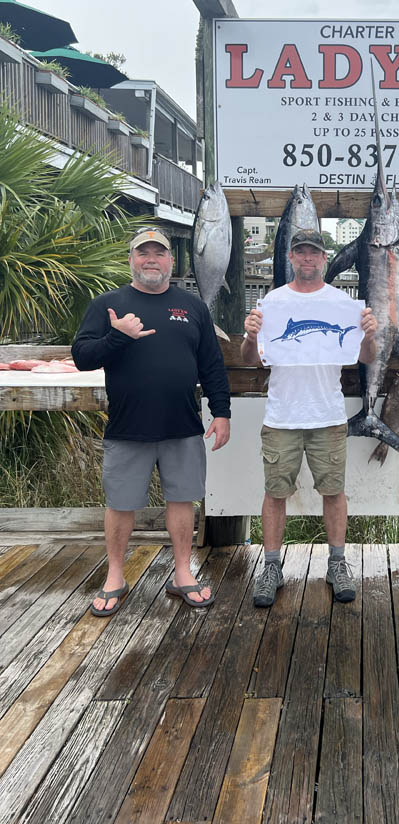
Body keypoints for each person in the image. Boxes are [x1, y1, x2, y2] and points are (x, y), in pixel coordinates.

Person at [72, 225, 231, 616]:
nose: (151, 259)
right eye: (143, 253)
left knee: (182, 500)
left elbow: (211, 365)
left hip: (183, 425)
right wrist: (118, 336)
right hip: (128, 427)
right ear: (131, 260)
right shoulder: (108, 304)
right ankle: (115, 576)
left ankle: (182, 573)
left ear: (171, 261)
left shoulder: (193, 307)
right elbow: (83, 357)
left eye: (158, 253)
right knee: (120, 503)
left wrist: (222, 412)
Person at [241, 228, 378, 607]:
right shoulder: (272, 301)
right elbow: (252, 359)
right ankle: (271, 566)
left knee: (333, 492)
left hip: (328, 415)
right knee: (275, 493)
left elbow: (366, 357)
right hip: (282, 415)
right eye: (300, 252)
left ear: (323, 258)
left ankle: (337, 563)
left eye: (313, 253)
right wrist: (251, 337)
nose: (306, 258)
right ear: (291, 257)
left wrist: (368, 335)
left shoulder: (341, 303)